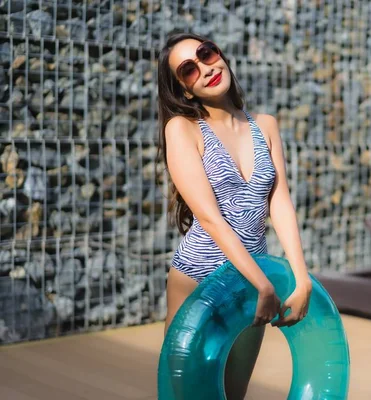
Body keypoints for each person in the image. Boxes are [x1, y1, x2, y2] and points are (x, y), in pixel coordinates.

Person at [156, 32, 313, 399]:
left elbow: (280, 204)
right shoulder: (183, 129)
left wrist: (301, 277)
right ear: (185, 91)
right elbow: (209, 218)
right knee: (189, 392)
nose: (206, 68)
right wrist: (261, 283)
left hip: (252, 278)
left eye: (206, 53)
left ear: (220, 54)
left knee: (232, 393)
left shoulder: (266, 125)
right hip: (199, 278)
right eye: (189, 70)